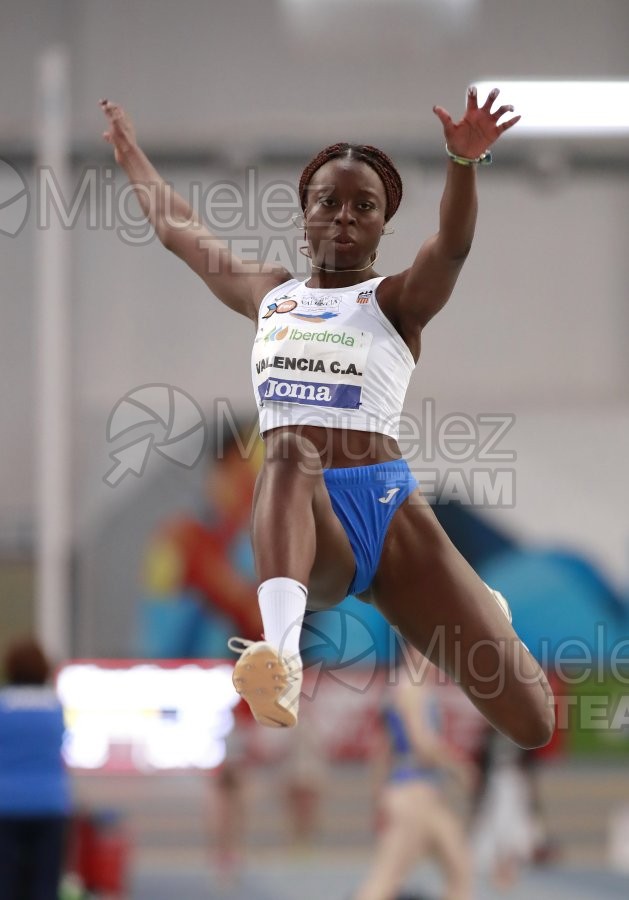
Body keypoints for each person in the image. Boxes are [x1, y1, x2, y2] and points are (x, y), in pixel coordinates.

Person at [100, 86, 555, 748]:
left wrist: (463, 166)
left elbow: (451, 247)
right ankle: (279, 659)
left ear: (380, 225)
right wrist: (132, 157)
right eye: (329, 203)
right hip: (307, 516)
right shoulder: (271, 295)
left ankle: (487, 611)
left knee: (532, 721)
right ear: (305, 212)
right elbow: (179, 230)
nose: (344, 217)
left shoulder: (395, 299)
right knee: (285, 450)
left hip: (388, 510)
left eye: (362, 207)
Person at [353, 646, 474, 900]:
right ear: (413, 651)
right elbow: (422, 744)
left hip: (421, 796)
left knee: (459, 870)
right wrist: (459, 767)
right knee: (386, 881)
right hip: (412, 794)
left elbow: (381, 749)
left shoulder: (401, 686)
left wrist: (378, 798)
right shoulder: (411, 686)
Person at [0, 638, 72, 900]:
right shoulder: (55, 708)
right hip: (49, 805)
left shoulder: (2, 706)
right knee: (44, 886)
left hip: (5, 805)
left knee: (6, 884)